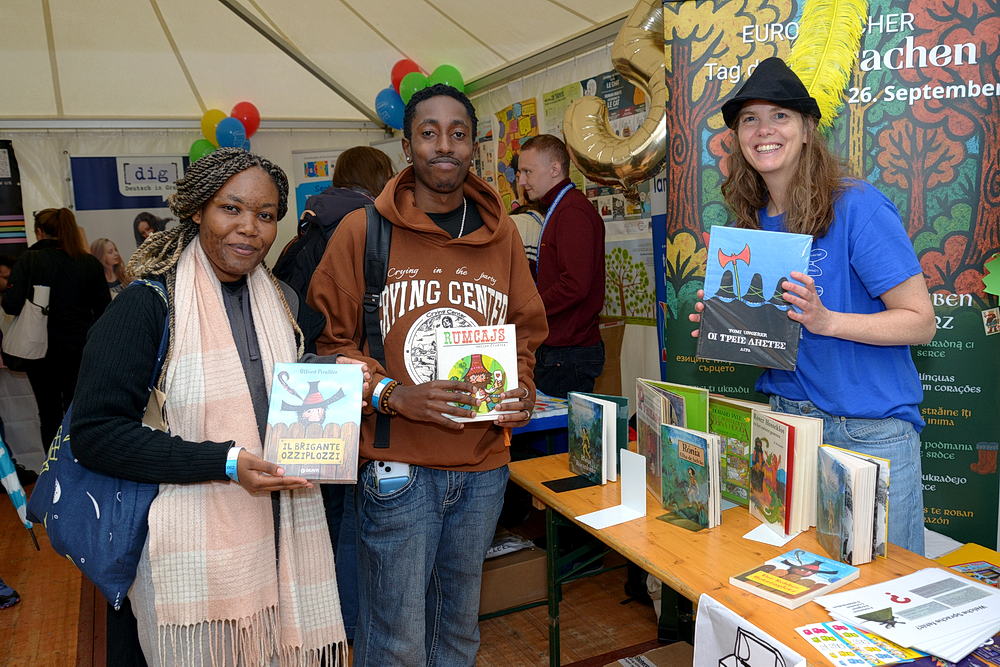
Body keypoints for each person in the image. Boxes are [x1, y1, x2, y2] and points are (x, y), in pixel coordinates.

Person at [71, 148, 352, 666]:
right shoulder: (149, 305)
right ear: (198, 210)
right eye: (231, 208)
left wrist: (341, 376)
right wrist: (222, 462)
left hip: (281, 532)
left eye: (265, 215)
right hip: (187, 544)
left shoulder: (282, 301)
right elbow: (95, 434)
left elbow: (281, 383)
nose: (249, 228)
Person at [308, 83, 547, 665]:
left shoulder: (503, 235)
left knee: (459, 632)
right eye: (429, 132)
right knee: (397, 642)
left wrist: (522, 388)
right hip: (398, 469)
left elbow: (523, 330)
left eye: (458, 134)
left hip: (483, 467)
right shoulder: (363, 231)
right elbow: (327, 349)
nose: (444, 145)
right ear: (407, 145)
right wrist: (392, 394)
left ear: (474, 146)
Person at [690, 57, 935, 554]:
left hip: (867, 433)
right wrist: (728, 323)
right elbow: (779, 341)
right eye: (750, 119)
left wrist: (827, 320)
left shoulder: (857, 205)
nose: (763, 130)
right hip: (786, 427)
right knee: (802, 582)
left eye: (779, 116)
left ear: (806, 129)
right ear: (737, 138)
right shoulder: (752, 221)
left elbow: (920, 323)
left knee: (883, 588)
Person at [3, 208, 110, 447]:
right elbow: (104, 310)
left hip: (41, 351)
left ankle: (53, 466)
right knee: (79, 412)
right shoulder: (88, 262)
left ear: (39, 232)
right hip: (81, 349)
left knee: (49, 412)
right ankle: (79, 462)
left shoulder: (30, 260)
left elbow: (11, 305)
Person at [516, 134, 605, 398]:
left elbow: (574, 285)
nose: (522, 181)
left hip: (568, 353)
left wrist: (530, 309)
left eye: (528, 172)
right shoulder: (559, 208)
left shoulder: (571, 211)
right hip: (561, 350)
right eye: (521, 173)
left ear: (555, 169)